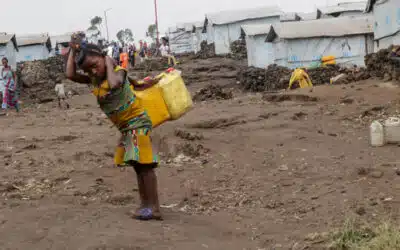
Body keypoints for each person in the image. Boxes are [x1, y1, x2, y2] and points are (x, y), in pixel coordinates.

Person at [65, 35, 162, 221]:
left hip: (138, 122)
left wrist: (109, 62)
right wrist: (72, 50)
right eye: (87, 70)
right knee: (138, 166)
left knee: (145, 166)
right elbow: (70, 74)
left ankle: (154, 207)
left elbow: (115, 84)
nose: (93, 71)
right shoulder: (95, 81)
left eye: (95, 65)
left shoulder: (118, 72)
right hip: (126, 127)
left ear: (103, 57)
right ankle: (145, 204)